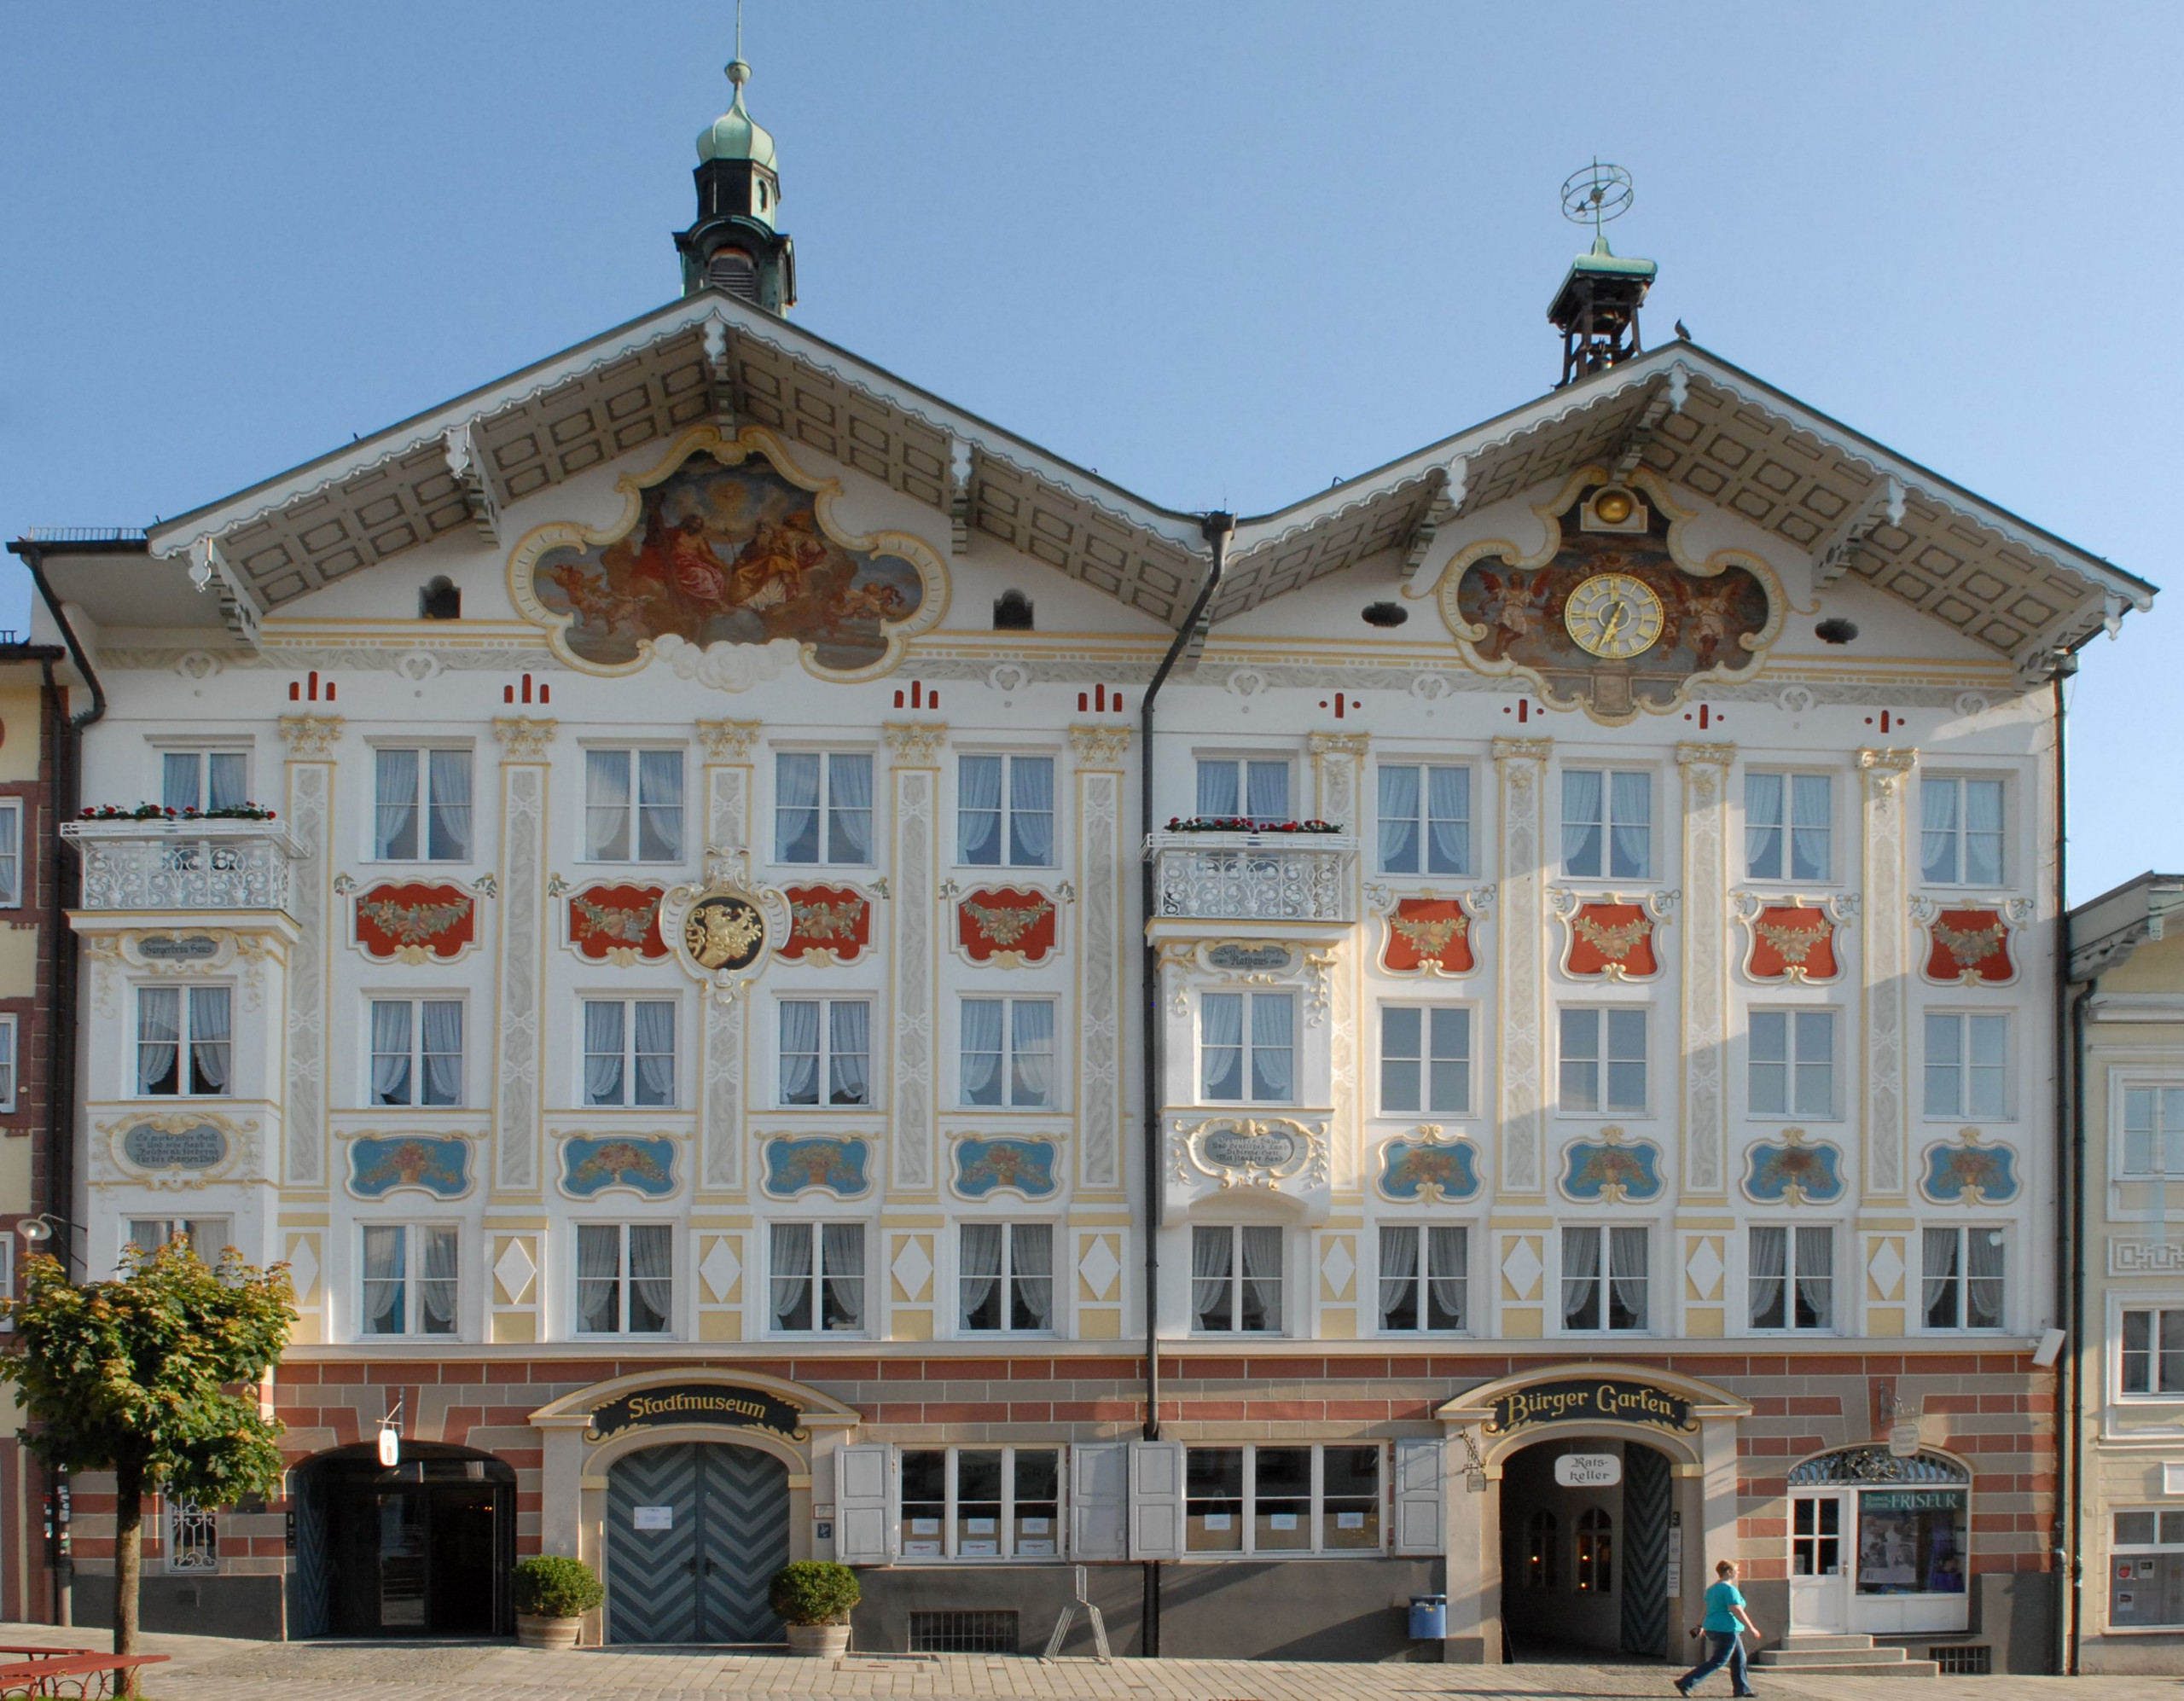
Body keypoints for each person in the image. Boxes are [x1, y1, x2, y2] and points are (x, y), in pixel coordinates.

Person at [1676, 1559, 1760, 1698]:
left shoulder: (1712, 1589)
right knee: (1719, 1660)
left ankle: (1742, 1689)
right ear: (1729, 1572)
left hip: (1714, 1627)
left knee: (1740, 1658)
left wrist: (1699, 1626)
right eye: (1736, 1570)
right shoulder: (1729, 1590)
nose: (1738, 1572)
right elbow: (1736, 1609)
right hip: (1726, 1628)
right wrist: (1751, 1627)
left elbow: (1706, 1609)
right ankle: (1686, 1682)